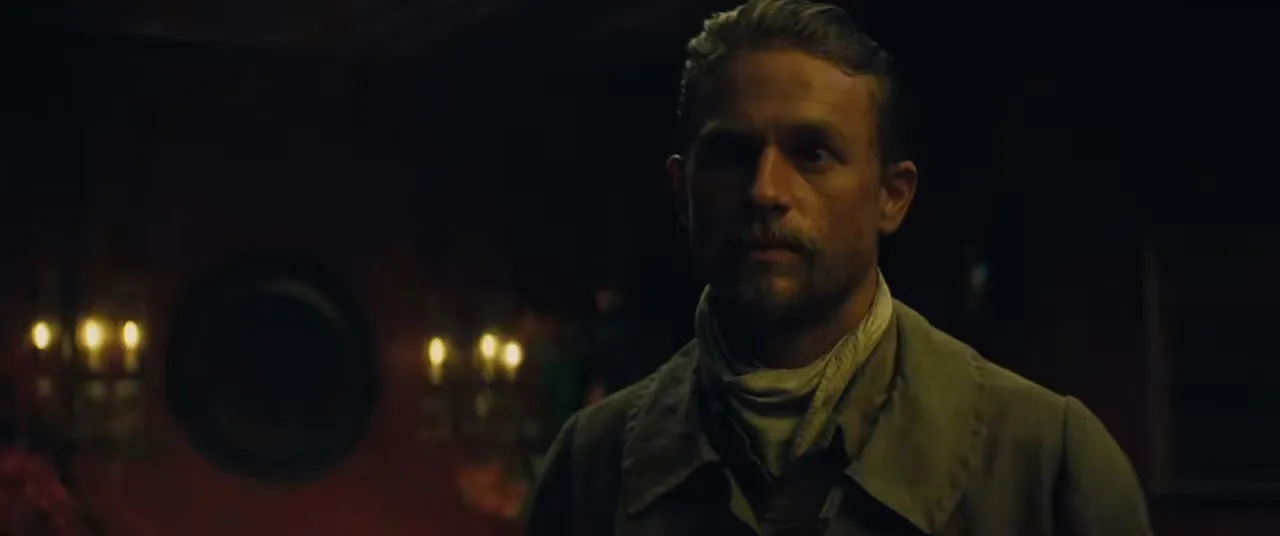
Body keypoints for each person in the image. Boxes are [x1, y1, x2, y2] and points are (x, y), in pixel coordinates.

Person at [525, 1, 1153, 535]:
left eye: (813, 153)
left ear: (891, 196)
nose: (765, 190)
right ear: (680, 192)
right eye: (731, 154)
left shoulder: (1046, 465)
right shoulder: (590, 468)